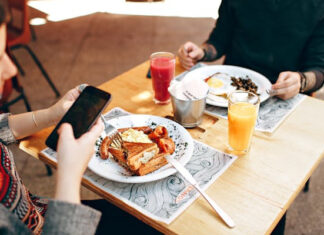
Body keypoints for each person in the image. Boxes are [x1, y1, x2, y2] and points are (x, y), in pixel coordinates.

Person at [0, 1, 160, 234]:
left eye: (5, 52)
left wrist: (51, 114)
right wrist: (69, 174)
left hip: (38, 210)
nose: (11, 70)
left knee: (148, 213)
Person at [178, 0, 324, 100]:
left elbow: (319, 70)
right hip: (230, 88)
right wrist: (202, 52)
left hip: (282, 95)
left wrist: (301, 80)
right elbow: (219, 40)